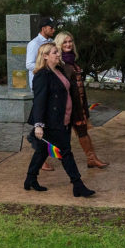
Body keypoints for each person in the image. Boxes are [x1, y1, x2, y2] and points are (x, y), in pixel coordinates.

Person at [24, 42, 95, 197]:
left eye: (57, 52)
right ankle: (78, 185)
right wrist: (38, 125)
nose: (58, 54)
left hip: (65, 119)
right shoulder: (42, 75)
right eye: (54, 52)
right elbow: (39, 102)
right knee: (66, 152)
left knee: (42, 151)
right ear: (45, 56)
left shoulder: (59, 70)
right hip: (51, 122)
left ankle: (30, 179)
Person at [53, 31, 108, 168]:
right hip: (68, 106)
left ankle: (91, 159)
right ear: (59, 44)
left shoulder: (72, 61)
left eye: (70, 41)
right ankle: (39, 161)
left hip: (78, 103)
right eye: (65, 42)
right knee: (55, 137)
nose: (68, 44)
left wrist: (83, 106)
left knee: (82, 131)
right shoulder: (60, 64)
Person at [25, 16, 56, 171]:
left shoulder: (51, 43)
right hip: (40, 85)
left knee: (46, 118)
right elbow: (29, 64)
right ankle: (40, 153)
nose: (53, 30)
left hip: (51, 85)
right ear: (43, 28)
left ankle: (34, 136)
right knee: (42, 118)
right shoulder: (34, 44)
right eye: (51, 27)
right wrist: (45, 67)